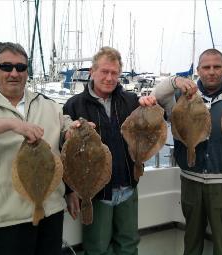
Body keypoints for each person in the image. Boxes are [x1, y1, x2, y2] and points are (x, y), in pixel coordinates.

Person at [0, 42, 78, 255]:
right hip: (5, 221)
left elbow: (66, 128)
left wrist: (74, 129)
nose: (14, 73)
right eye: (6, 66)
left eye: (21, 67)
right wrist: (10, 124)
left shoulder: (49, 104)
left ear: (27, 72)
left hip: (52, 213)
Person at [140, 48, 222, 255]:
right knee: (191, 240)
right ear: (199, 70)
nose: (211, 71)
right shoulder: (180, 95)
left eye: (216, 67)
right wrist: (175, 80)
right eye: (206, 67)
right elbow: (154, 97)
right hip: (190, 181)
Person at [63, 46, 143, 255]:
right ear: (92, 71)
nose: (109, 77)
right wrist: (70, 190)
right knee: (97, 248)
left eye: (114, 73)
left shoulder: (132, 101)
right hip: (96, 193)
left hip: (128, 185)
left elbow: (150, 128)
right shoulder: (73, 106)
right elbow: (64, 153)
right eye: (104, 72)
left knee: (129, 244)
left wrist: (151, 103)